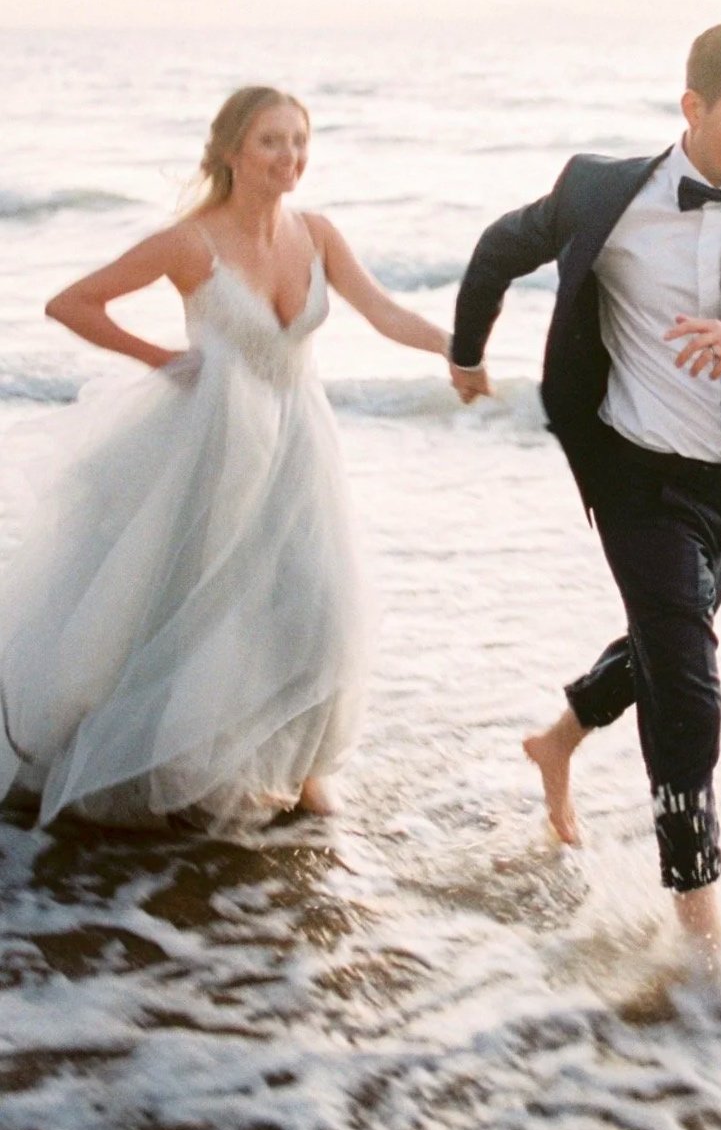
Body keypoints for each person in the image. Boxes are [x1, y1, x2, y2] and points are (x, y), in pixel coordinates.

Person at [448, 22, 721, 953]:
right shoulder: (602, 190)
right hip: (627, 463)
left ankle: (558, 736)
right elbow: (496, 249)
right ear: (692, 107)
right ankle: (699, 921)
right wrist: (467, 353)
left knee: (665, 635)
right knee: (688, 672)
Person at [0, 86, 449, 831]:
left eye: (299, 141)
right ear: (232, 150)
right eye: (271, 140)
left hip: (300, 439)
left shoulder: (319, 233)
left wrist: (455, 347)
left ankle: (298, 769)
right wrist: (164, 359)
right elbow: (72, 303)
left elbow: (384, 310)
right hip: (213, 445)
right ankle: (169, 768)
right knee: (197, 608)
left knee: (315, 603)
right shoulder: (191, 241)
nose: (289, 157)